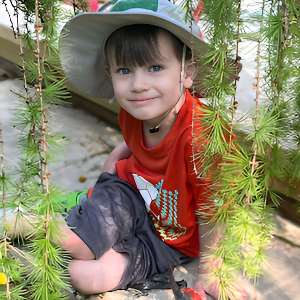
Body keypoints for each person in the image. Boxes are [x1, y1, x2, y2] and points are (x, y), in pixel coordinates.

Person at [57, 0, 246, 299]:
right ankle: (25, 221)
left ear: (187, 73)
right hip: (129, 196)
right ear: (109, 73)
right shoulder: (134, 112)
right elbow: (132, 146)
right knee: (75, 244)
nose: (138, 84)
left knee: (85, 276)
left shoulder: (201, 137)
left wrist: (211, 269)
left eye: (155, 67)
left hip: (171, 236)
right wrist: (108, 175)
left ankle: (60, 224)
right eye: (124, 70)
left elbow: (216, 209)